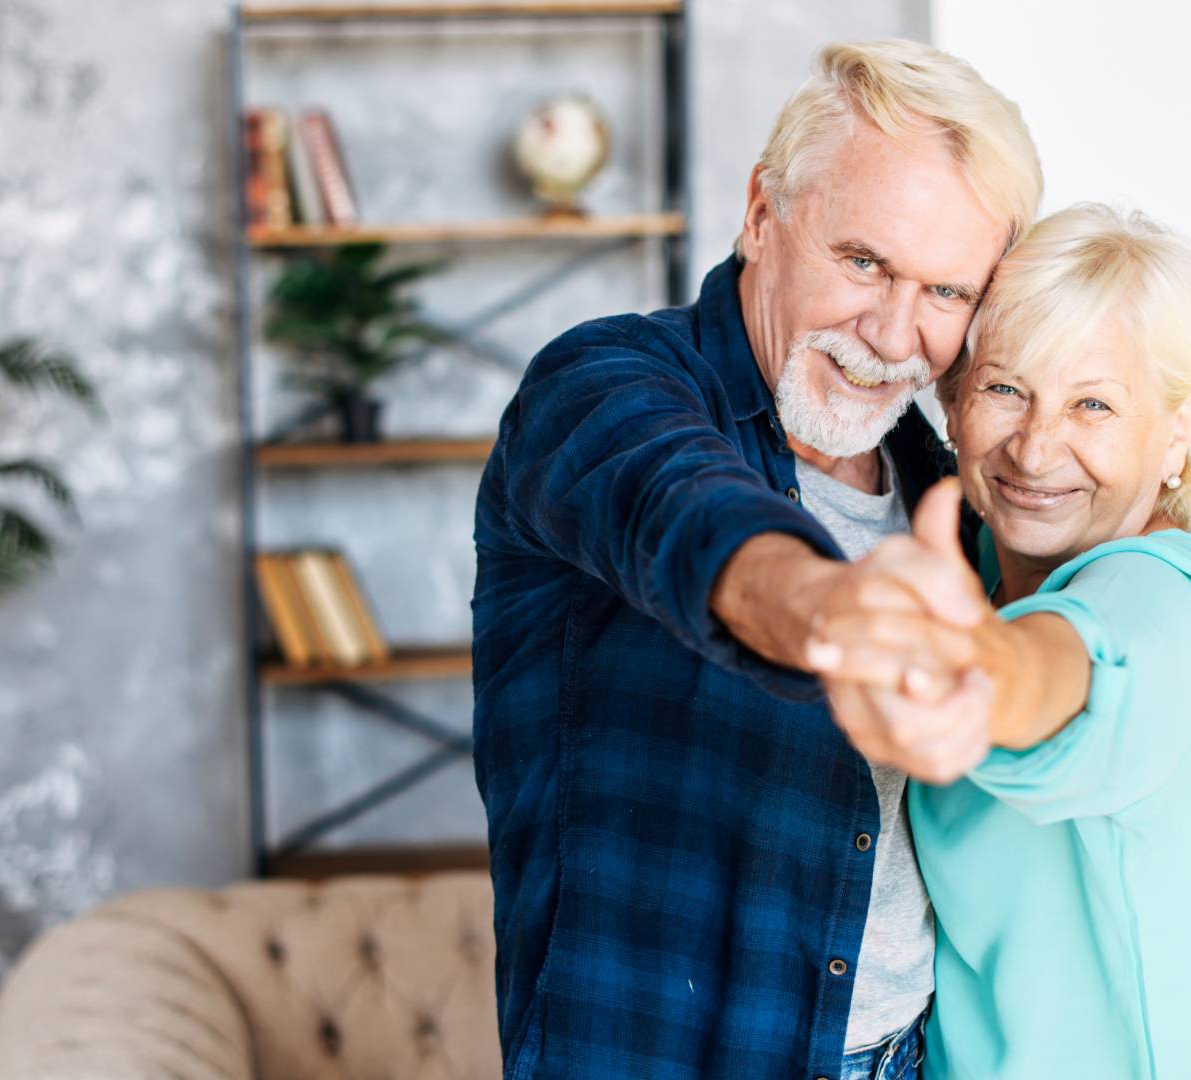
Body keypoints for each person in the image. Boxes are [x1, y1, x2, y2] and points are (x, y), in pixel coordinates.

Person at [471, 39, 1041, 1079]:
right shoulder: (602, 384)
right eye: (862, 261)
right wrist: (836, 612)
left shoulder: (943, 488)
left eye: (947, 292)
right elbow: (690, 522)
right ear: (763, 213)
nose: (893, 332)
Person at [805, 203, 1191, 1078]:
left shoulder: (1171, 596)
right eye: (1005, 389)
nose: (1034, 447)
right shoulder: (978, 561)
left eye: (1093, 404)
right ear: (952, 398)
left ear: (1180, 429)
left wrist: (977, 675)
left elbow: (1080, 664)